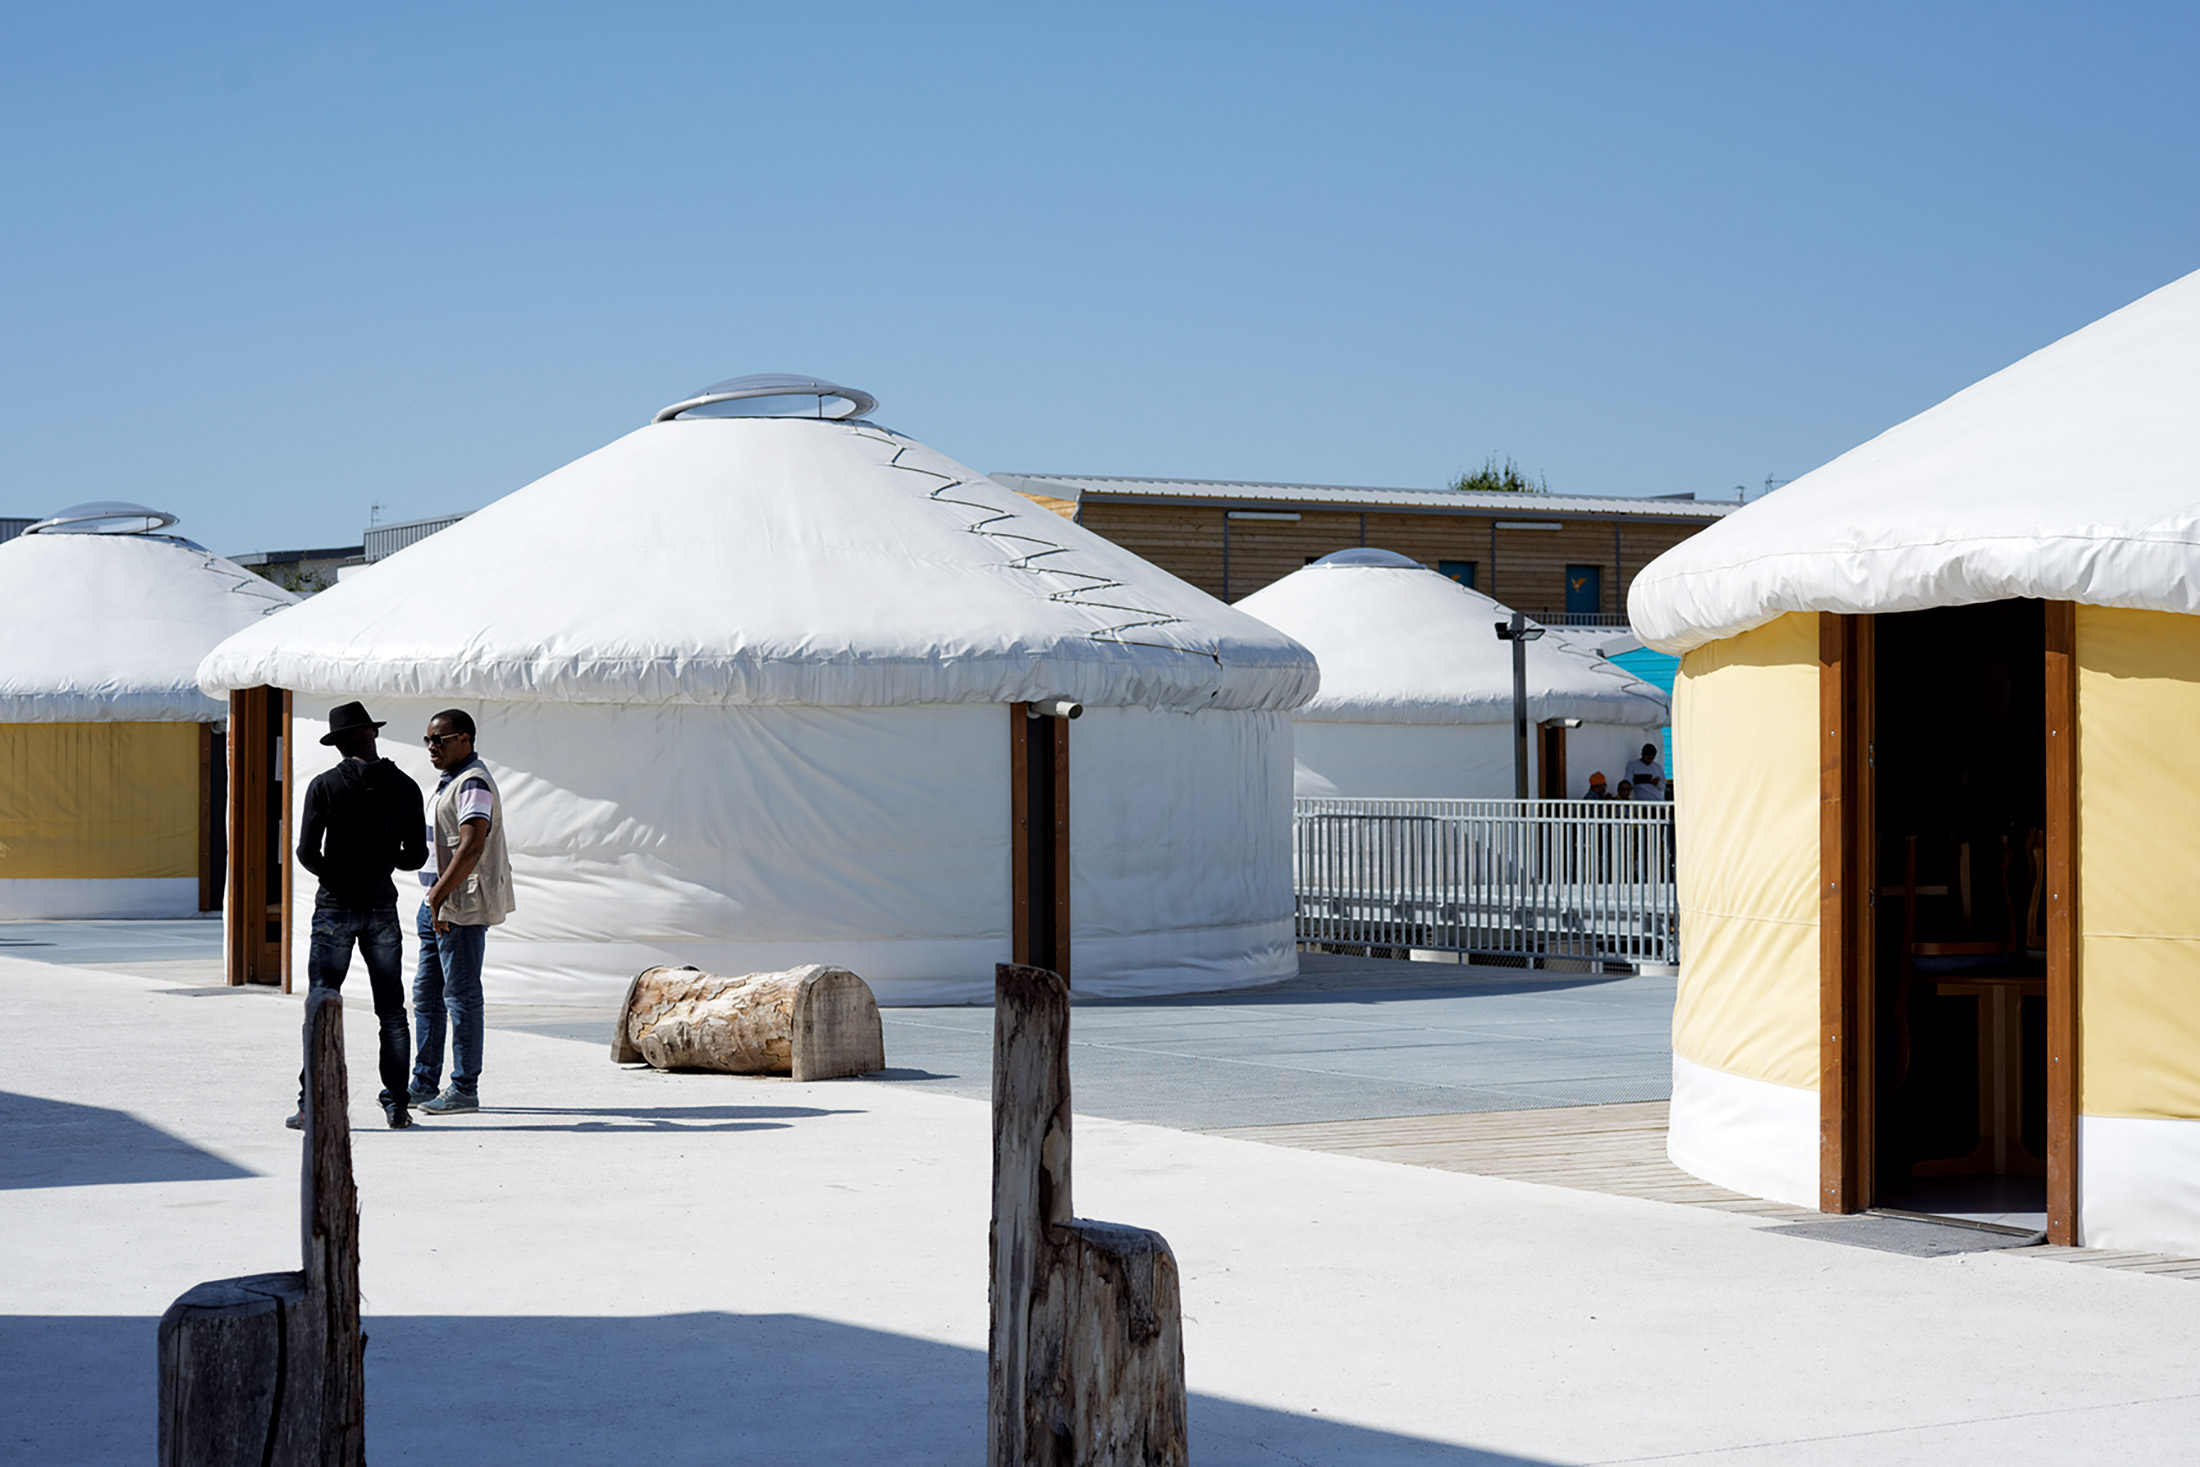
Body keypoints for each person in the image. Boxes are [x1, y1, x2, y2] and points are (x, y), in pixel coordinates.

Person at [291, 701, 427, 1130]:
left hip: (335, 905)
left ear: (342, 741)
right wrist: (382, 861)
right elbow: (417, 855)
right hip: (380, 905)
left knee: (322, 1004)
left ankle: (311, 1102)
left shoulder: (324, 786)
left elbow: (307, 854)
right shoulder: (406, 787)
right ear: (372, 734)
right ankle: (397, 1105)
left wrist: (341, 874)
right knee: (391, 1010)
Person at [408, 708, 515, 1115]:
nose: (432, 747)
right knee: (427, 996)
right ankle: (424, 1082)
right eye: (428, 740)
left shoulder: (472, 783)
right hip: (437, 904)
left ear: (465, 739)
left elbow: (472, 846)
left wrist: (438, 896)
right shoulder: (449, 782)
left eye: (442, 739)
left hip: (458, 907)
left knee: (461, 997)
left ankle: (464, 1087)